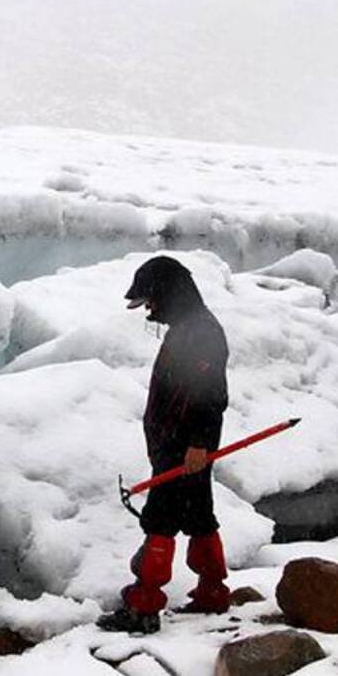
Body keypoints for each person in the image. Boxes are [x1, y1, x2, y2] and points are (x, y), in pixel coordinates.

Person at [97, 256, 231, 635]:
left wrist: (198, 444)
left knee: (162, 519)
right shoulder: (190, 328)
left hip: (184, 447)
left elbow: (209, 393)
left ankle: (144, 603)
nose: (150, 309)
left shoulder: (200, 333)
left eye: (150, 300)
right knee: (198, 514)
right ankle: (212, 592)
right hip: (183, 447)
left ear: (166, 293)